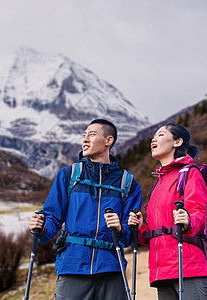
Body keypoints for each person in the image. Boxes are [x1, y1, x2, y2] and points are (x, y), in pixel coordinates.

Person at [29, 119, 142, 300]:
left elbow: (131, 234)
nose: (85, 140)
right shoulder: (68, 175)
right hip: (73, 266)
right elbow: (52, 218)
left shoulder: (128, 183)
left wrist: (122, 228)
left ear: (108, 140)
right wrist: (41, 226)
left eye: (91, 134)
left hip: (112, 269)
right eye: (84, 136)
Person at [127, 123, 207, 299]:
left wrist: (188, 220)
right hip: (162, 272)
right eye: (153, 136)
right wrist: (141, 226)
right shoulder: (159, 182)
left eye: (160, 135)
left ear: (177, 142)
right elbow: (153, 233)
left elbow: (198, 212)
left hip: (188, 265)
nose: (153, 139)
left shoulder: (189, 173)